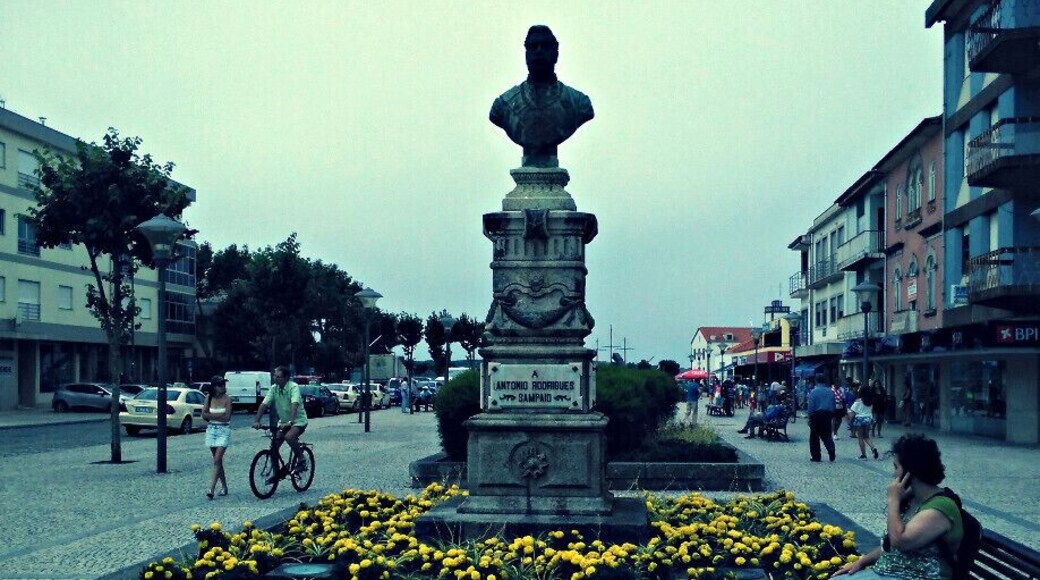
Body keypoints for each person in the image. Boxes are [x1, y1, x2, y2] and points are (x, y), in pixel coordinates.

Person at [831, 434, 964, 579]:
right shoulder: (913, 499)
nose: (894, 473)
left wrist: (893, 500)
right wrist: (863, 561)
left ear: (911, 472)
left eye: (896, 467)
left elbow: (900, 541)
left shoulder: (940, 508)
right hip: (892, 574)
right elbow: (891, 547)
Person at [489, 25, 594, 168]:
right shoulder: (504, 105)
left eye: (545, 46)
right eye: (533, 47)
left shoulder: (579, 103)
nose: (538, 51)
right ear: (526, 54)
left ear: (556, 54)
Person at [252, 366, 308, 474]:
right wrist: (257, 421)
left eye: (279, 377)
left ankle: (301, 458)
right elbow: (264, 405)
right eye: (275, 376)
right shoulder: (274, 388)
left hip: (298, 421)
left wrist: (290, 422)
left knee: (289, 436)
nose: (275, 379)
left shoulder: (293, 387)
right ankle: (276, 473)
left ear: (286, 378)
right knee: (274, 447)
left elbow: (294, 404)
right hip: (283, 423)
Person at [202, 375, 232, 499]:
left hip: (223, 430)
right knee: (217, 461)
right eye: (220, 385)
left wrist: (211, 416)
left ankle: (211, 488)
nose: (223, 387)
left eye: (224, 384)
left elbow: (227, 417)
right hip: (211, 430)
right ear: (214, 387)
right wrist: (216, 416)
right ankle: (224, 487)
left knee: (217, 459)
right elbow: (204, 414)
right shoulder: (209, 398)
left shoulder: (227, 399)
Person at [807, 373, 837, 462]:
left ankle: (816, 456)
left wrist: (809, 417)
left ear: (816, 380)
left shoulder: (814, 391)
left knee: (814, 436)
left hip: (816, 415)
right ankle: (831, 450)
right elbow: (833, 404)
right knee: (827, 434)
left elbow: (811, 406)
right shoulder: (830, 391)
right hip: (827, 414)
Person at [848, 386, 879, 460]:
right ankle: (873, 448)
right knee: (866, 436)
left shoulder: (858, 401)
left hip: (860, 420)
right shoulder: (870, 401)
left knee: (860, 437)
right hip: (868, 419)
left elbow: (852, 413)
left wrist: (848, 412)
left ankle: (863, 455)